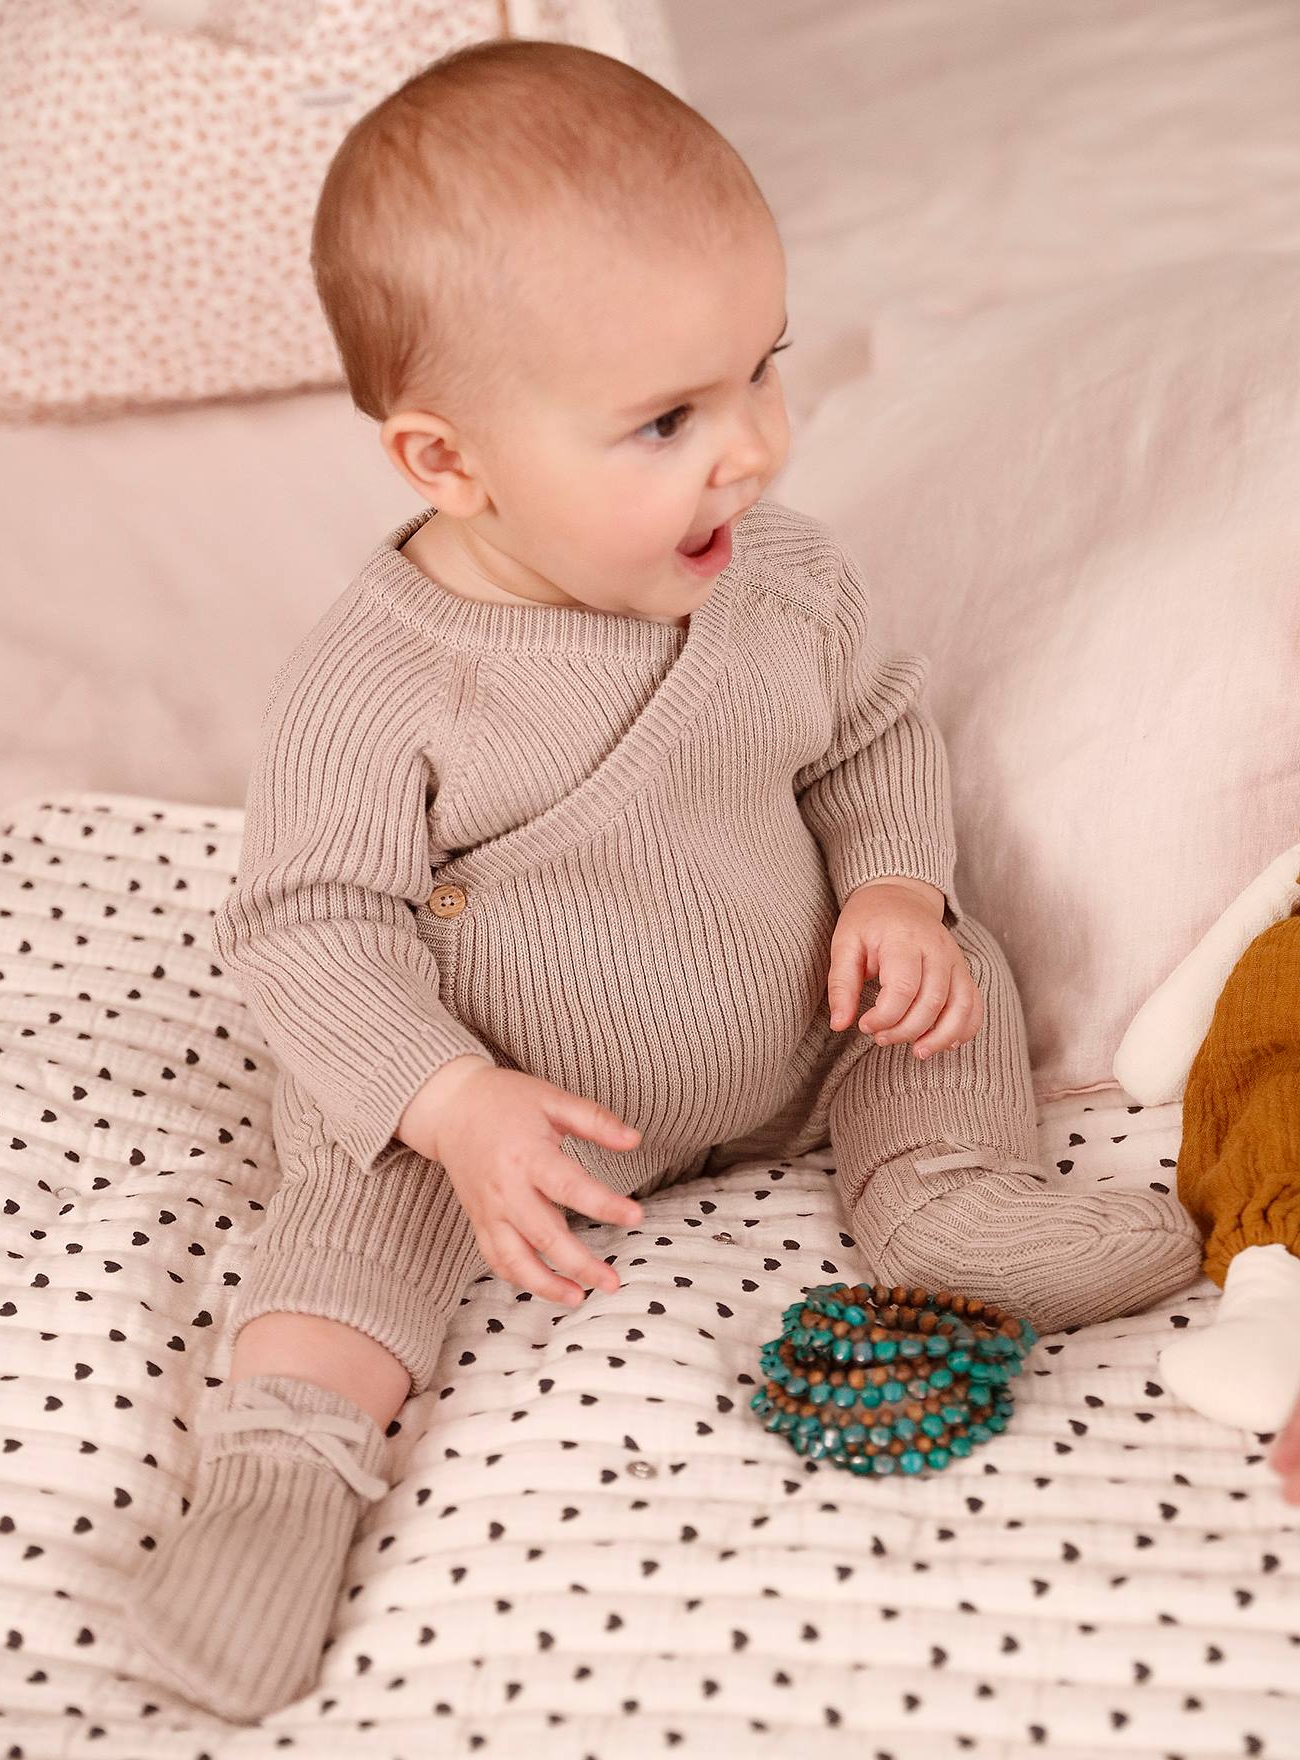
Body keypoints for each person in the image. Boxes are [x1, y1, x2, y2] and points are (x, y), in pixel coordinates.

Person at [125, 37, 1202, 1722]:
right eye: (667, 421)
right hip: (510, 1116)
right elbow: (307, 924)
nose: (753, 449)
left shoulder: (783, 580)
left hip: (789, 1035)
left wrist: (894, 892)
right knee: (353, 1194)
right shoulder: (381, 681)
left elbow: (871, 738)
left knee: (947, 973)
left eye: (762, 371)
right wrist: (453, 1103)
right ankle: (290, 1454)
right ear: (449, 464)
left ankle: (943, 1191)